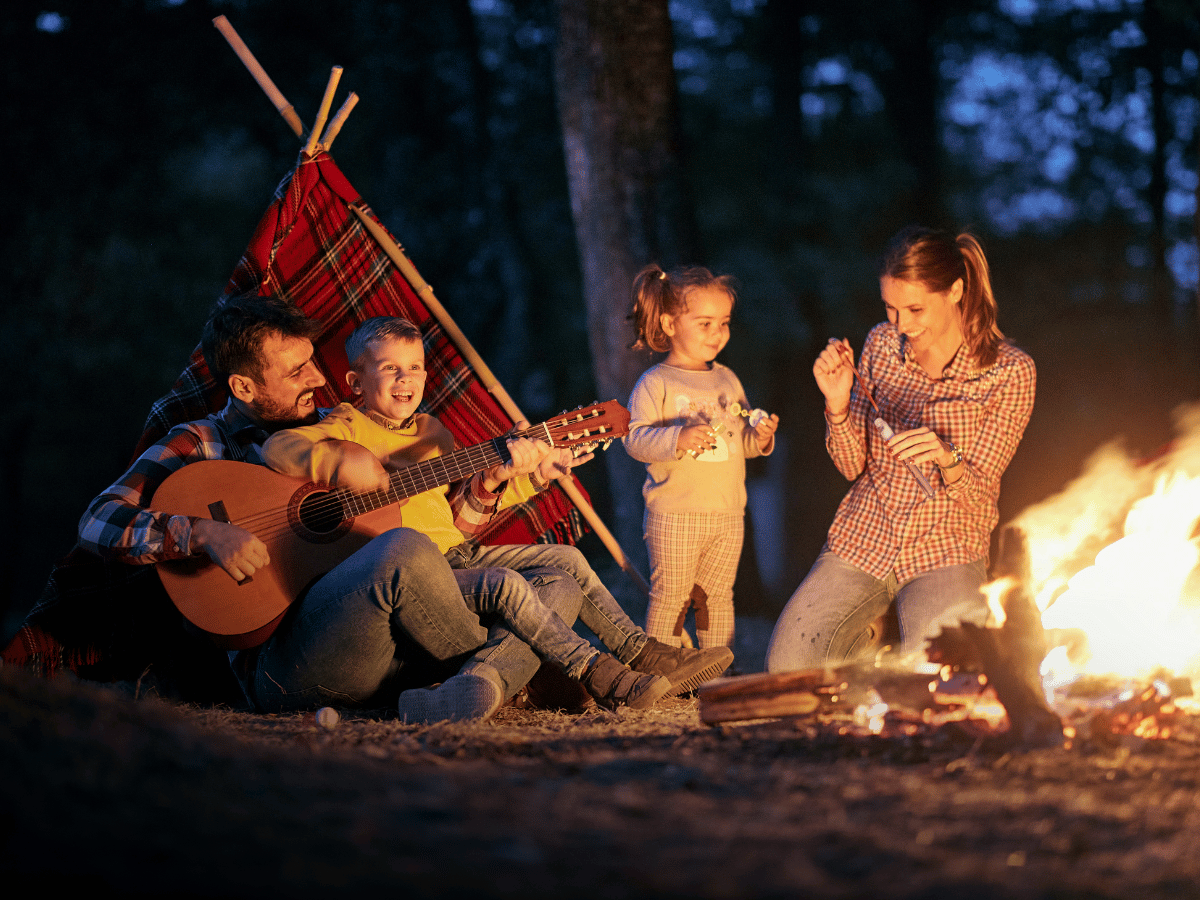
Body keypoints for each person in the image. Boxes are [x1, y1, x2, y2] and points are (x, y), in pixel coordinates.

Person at [73, 295, 676, 723]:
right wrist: (202, 532)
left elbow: (440, 531)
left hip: (396, 642)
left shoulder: (339, 426)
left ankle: (471, 687)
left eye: (313, 359)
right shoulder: (199, 445)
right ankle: (535, 673)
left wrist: (493, 480)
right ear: (244, 388)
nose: (318, 376)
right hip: (292, 660)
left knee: (556, 581)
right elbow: (97, 521)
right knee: (406, 548)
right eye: (297, 369)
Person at [260, 315, 735, 717]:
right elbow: (277, 446)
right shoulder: (344, 424)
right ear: (356, 381)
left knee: (566, 561)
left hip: (456, 553)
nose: (406, 379)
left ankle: (641, 651)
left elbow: (458, 524)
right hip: (413, 574)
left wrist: (521, 477)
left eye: (415, 368)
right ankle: (596, 673)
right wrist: (337, 460)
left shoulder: (434, 434)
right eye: (389, 369)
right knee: (517, 587)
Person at [766, 226, 1036, 672]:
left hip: (947, 544)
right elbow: (852, 465)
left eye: (914, 308)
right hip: (867, 535)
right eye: (890, 308)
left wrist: (946, 456)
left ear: (955, 290)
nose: (901, 325)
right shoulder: (880, 345)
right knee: (789, 668)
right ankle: (871, 643)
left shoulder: (1009, 372)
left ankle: (887, 648)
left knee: (945, 674)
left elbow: (979, 493)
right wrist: (836, 404)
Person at [623, 264, 779, 650]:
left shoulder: (727, 378)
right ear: (670, 323)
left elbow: (737, 441)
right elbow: (635, 439)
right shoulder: (656, 382)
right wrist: (677, 437)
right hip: (675, 512)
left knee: (718, 596)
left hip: (727, 513)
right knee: (671, 596)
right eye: (705, 323)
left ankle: (716, 671)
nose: (717, 333)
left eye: (723, 323)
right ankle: (662, 667)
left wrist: (759, 438)